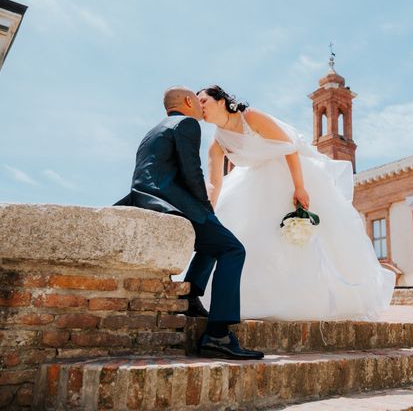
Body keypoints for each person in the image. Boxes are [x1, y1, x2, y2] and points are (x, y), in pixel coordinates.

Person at [194, 84, 395, 321]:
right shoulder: (216, 144)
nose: (200, 108)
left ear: (221, 101)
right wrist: (209, 213)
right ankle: (259, 299)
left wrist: (299, 187)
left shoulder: (250, 117)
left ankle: (314, 298)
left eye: (203, 102)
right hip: (253, 183)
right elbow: (216, 184)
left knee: (309, 239)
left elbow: (289, 147)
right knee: (253, 237)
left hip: (287, 173)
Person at [115, 86, 263, 360]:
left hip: (148, 200)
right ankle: (218, 335)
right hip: (173, 204)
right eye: (198, 101)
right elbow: (192, 171)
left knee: (214, 244)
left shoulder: (153, 131)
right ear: (187, 101)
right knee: (233, 249)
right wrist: (207, 211)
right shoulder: (186, 123)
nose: (201, 107)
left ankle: (189, 297)